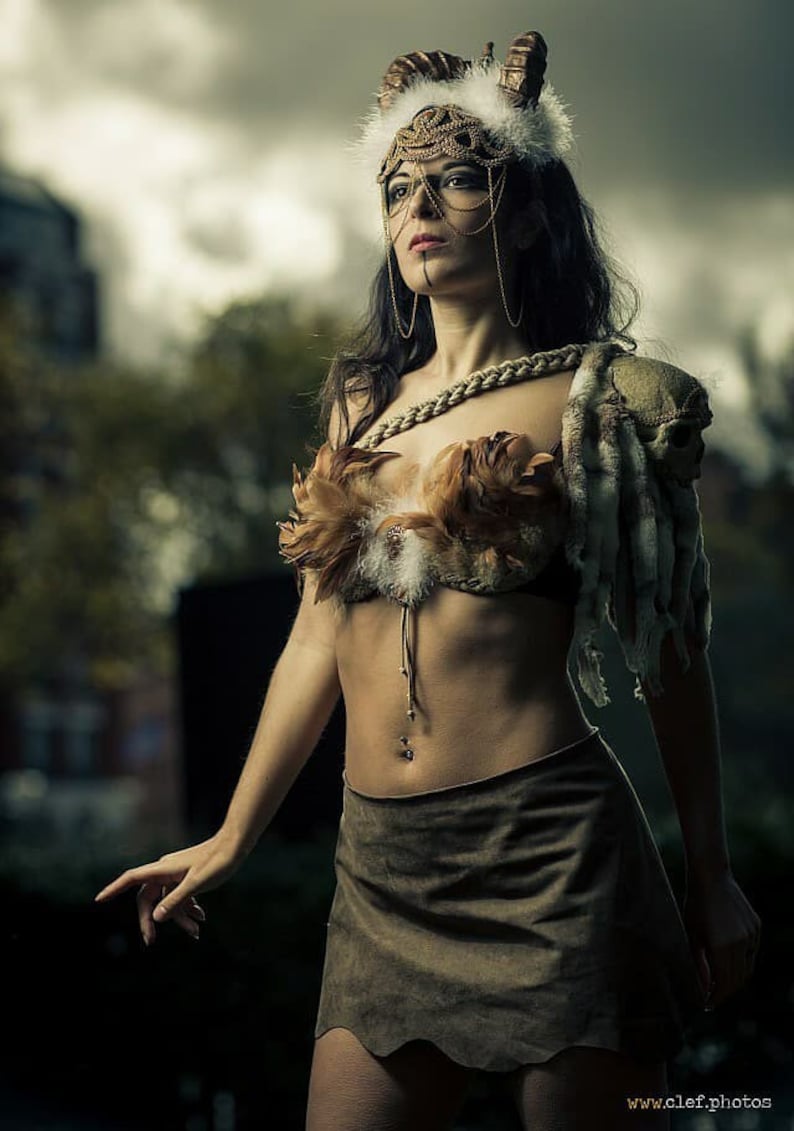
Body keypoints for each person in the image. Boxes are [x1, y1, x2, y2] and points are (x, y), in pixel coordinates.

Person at [95, 33, 761, 1131]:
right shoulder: (360, 406)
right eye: (400, 186)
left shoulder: (598, 398)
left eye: (459, 177)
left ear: (527, 207)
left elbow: (668, 649)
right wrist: (230, 837)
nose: (423, 205)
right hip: (382, 870)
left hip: (549, 848)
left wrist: (710, 874)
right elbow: (313, 642)